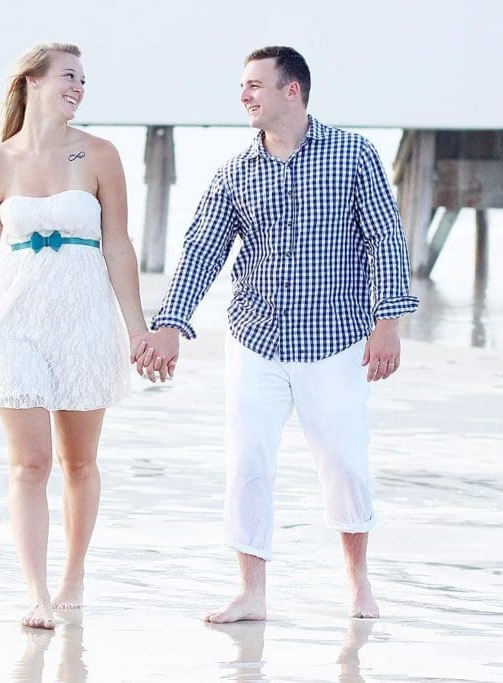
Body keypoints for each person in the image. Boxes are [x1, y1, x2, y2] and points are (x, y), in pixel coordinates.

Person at [135, 46, 418, 622]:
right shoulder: (235, 173)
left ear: (293, 91)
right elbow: (202, 251)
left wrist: (388, 322)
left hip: (336, 339)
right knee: (248, 464)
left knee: (343, 464)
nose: (244, 96)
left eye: (255, 85)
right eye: (243, 86)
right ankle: (251, 592)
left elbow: (385, 239)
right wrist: (169, 324)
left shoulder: (353, 154)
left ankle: (359, 583)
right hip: (255, 338)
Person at [0, 42, 150, 630]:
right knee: (29, 464)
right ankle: (36, 592)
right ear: (31, 81)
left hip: (84, 317)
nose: (78, 87)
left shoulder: (100, 155)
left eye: (83, 80)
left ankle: (73, 575)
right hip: (14, 322)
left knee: (79, 462)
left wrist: (137, 329)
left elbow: (119, 245)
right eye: (68, 76)